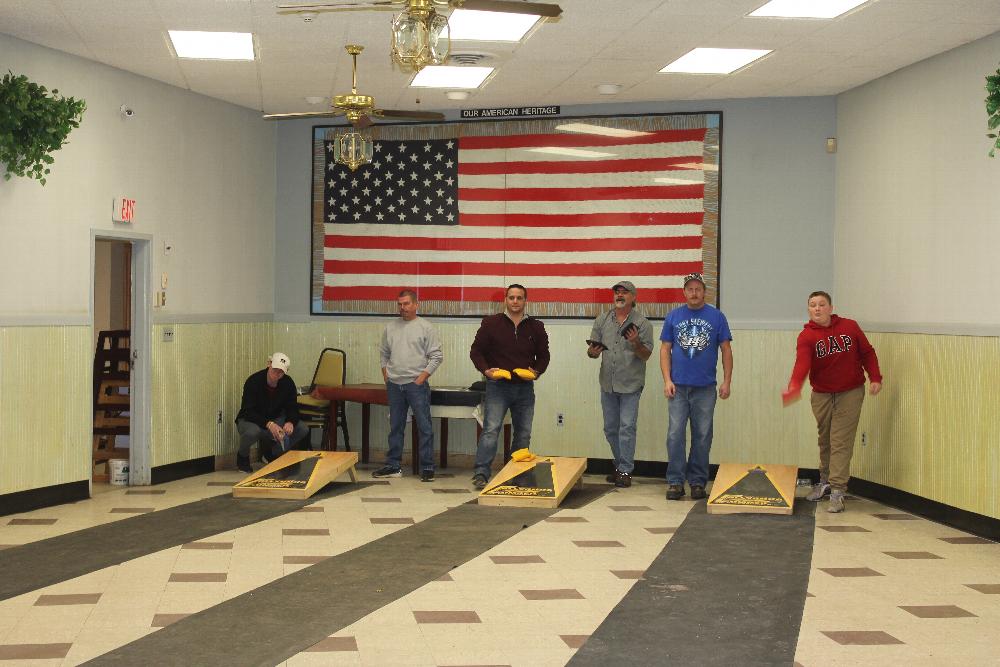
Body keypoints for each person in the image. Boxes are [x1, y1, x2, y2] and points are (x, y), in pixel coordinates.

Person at [782, 290, 882, 513]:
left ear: (830, 308)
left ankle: (838, 490)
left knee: (840, 440)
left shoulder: (850, 327)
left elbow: (867, 353)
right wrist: (795, 386)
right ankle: (825, 481)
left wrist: (875, 377)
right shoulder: (806, 336)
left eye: (821, 304)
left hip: (850, 392)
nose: (817, 308)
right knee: (825, 439)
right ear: (809, 310)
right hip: (822, 394)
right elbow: (802, 364)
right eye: (813, 305)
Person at [660, 273, 733, 501]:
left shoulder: (717, 317)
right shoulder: (674, 316)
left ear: (704, 291)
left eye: (698, 289)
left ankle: (698, 481)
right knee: (675, 434)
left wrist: (727, 381)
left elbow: (726, 350)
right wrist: (667, 380)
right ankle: (675, 482)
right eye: (690, 289)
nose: (694, 293)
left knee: (702, 435)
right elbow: (665, 350)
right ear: (684, 292)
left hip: (705, 388)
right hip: (678, 387)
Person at [469, 284, 550, 489]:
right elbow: (476, 351)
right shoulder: (491, 324)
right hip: (498, 387)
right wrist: (486, 370)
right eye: (511, 297)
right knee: (491, 430)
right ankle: (481, 473)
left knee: (523, 432)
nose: (515, 301)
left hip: (525, 388)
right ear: (505, 300)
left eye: (519, 298)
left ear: (525, 301)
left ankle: (518, 473)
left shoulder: (536, 327)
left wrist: (537, 372)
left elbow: (544, 356)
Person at [372, 290, 444, 482]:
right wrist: (386, 376)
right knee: (395, 426)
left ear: (415, 304)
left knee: (424, 427)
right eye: (399, 304)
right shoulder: (390, 327)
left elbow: (437, 357)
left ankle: (427, 467)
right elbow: (383, 354)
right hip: (394, 384)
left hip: (416, 385)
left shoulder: (425, 327)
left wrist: (420, 379)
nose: (402, 308)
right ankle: (393, 465)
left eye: (406, 304)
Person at [587, 281, 653, 488]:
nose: (620, 295)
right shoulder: (602, 319)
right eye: (617, 292)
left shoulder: (642, 324)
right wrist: (592, 352)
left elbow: (646, 355)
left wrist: (635, 343)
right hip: (607, 383)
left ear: (634, 297)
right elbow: (592, 351)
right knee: (610, 429)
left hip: (631, 385)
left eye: (625, 292)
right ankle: (619, 465)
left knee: (626, 428)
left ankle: (625, 470)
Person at [235, 352, 309, 473]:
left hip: (276, 419)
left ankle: (272, 454)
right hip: (252, 420)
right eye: (275, 370)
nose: (277, 374)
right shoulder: (253, 381)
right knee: (252, 432)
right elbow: (248, 411)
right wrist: (269, 424)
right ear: (269, 364)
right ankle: (242, 457)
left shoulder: (288, 383)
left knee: (302, 428)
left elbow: (293, 407)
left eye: (281, 372)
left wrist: (290, 421)